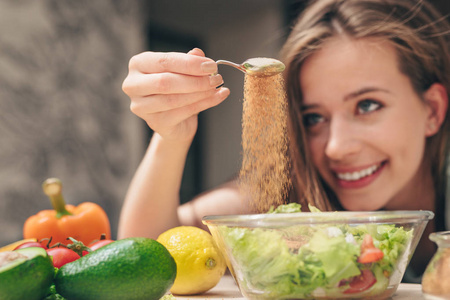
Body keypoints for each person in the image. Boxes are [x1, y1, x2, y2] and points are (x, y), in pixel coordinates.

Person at [119, 0, 449, 282]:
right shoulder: (287, 191)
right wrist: (171, 137)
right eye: (313, 118)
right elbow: (146, 253)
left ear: (432, 110)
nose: (335, 147)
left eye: (367, 106)